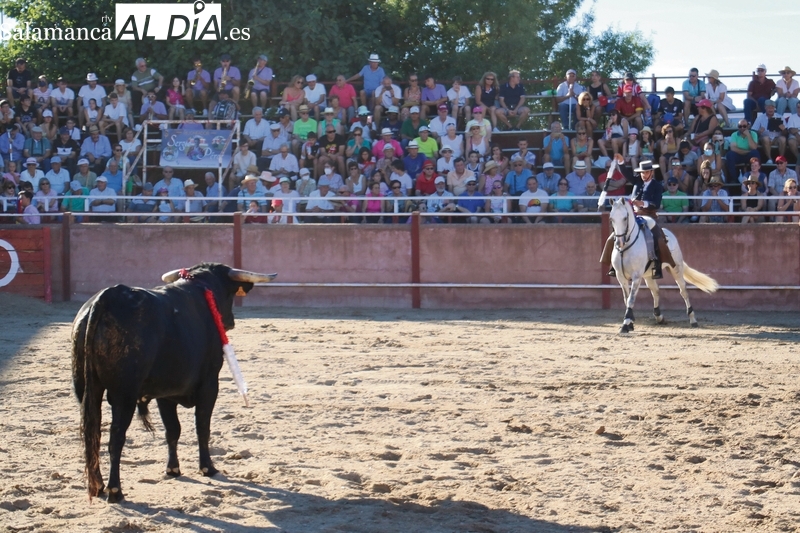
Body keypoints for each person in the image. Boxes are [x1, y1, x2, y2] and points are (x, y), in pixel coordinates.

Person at [601, 160, 675, 279]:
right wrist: (620, 162)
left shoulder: (657, 186)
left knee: (658, 238)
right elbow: (625, 173)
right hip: (633, 215)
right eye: (642, 173)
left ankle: (657, 264)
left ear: (651, 172)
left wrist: (642, 203)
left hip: (648, 215)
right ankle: (613, 265)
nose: (643, 175)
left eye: (646, 172)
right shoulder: (637, 181)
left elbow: (655, 204)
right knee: (614, 236)